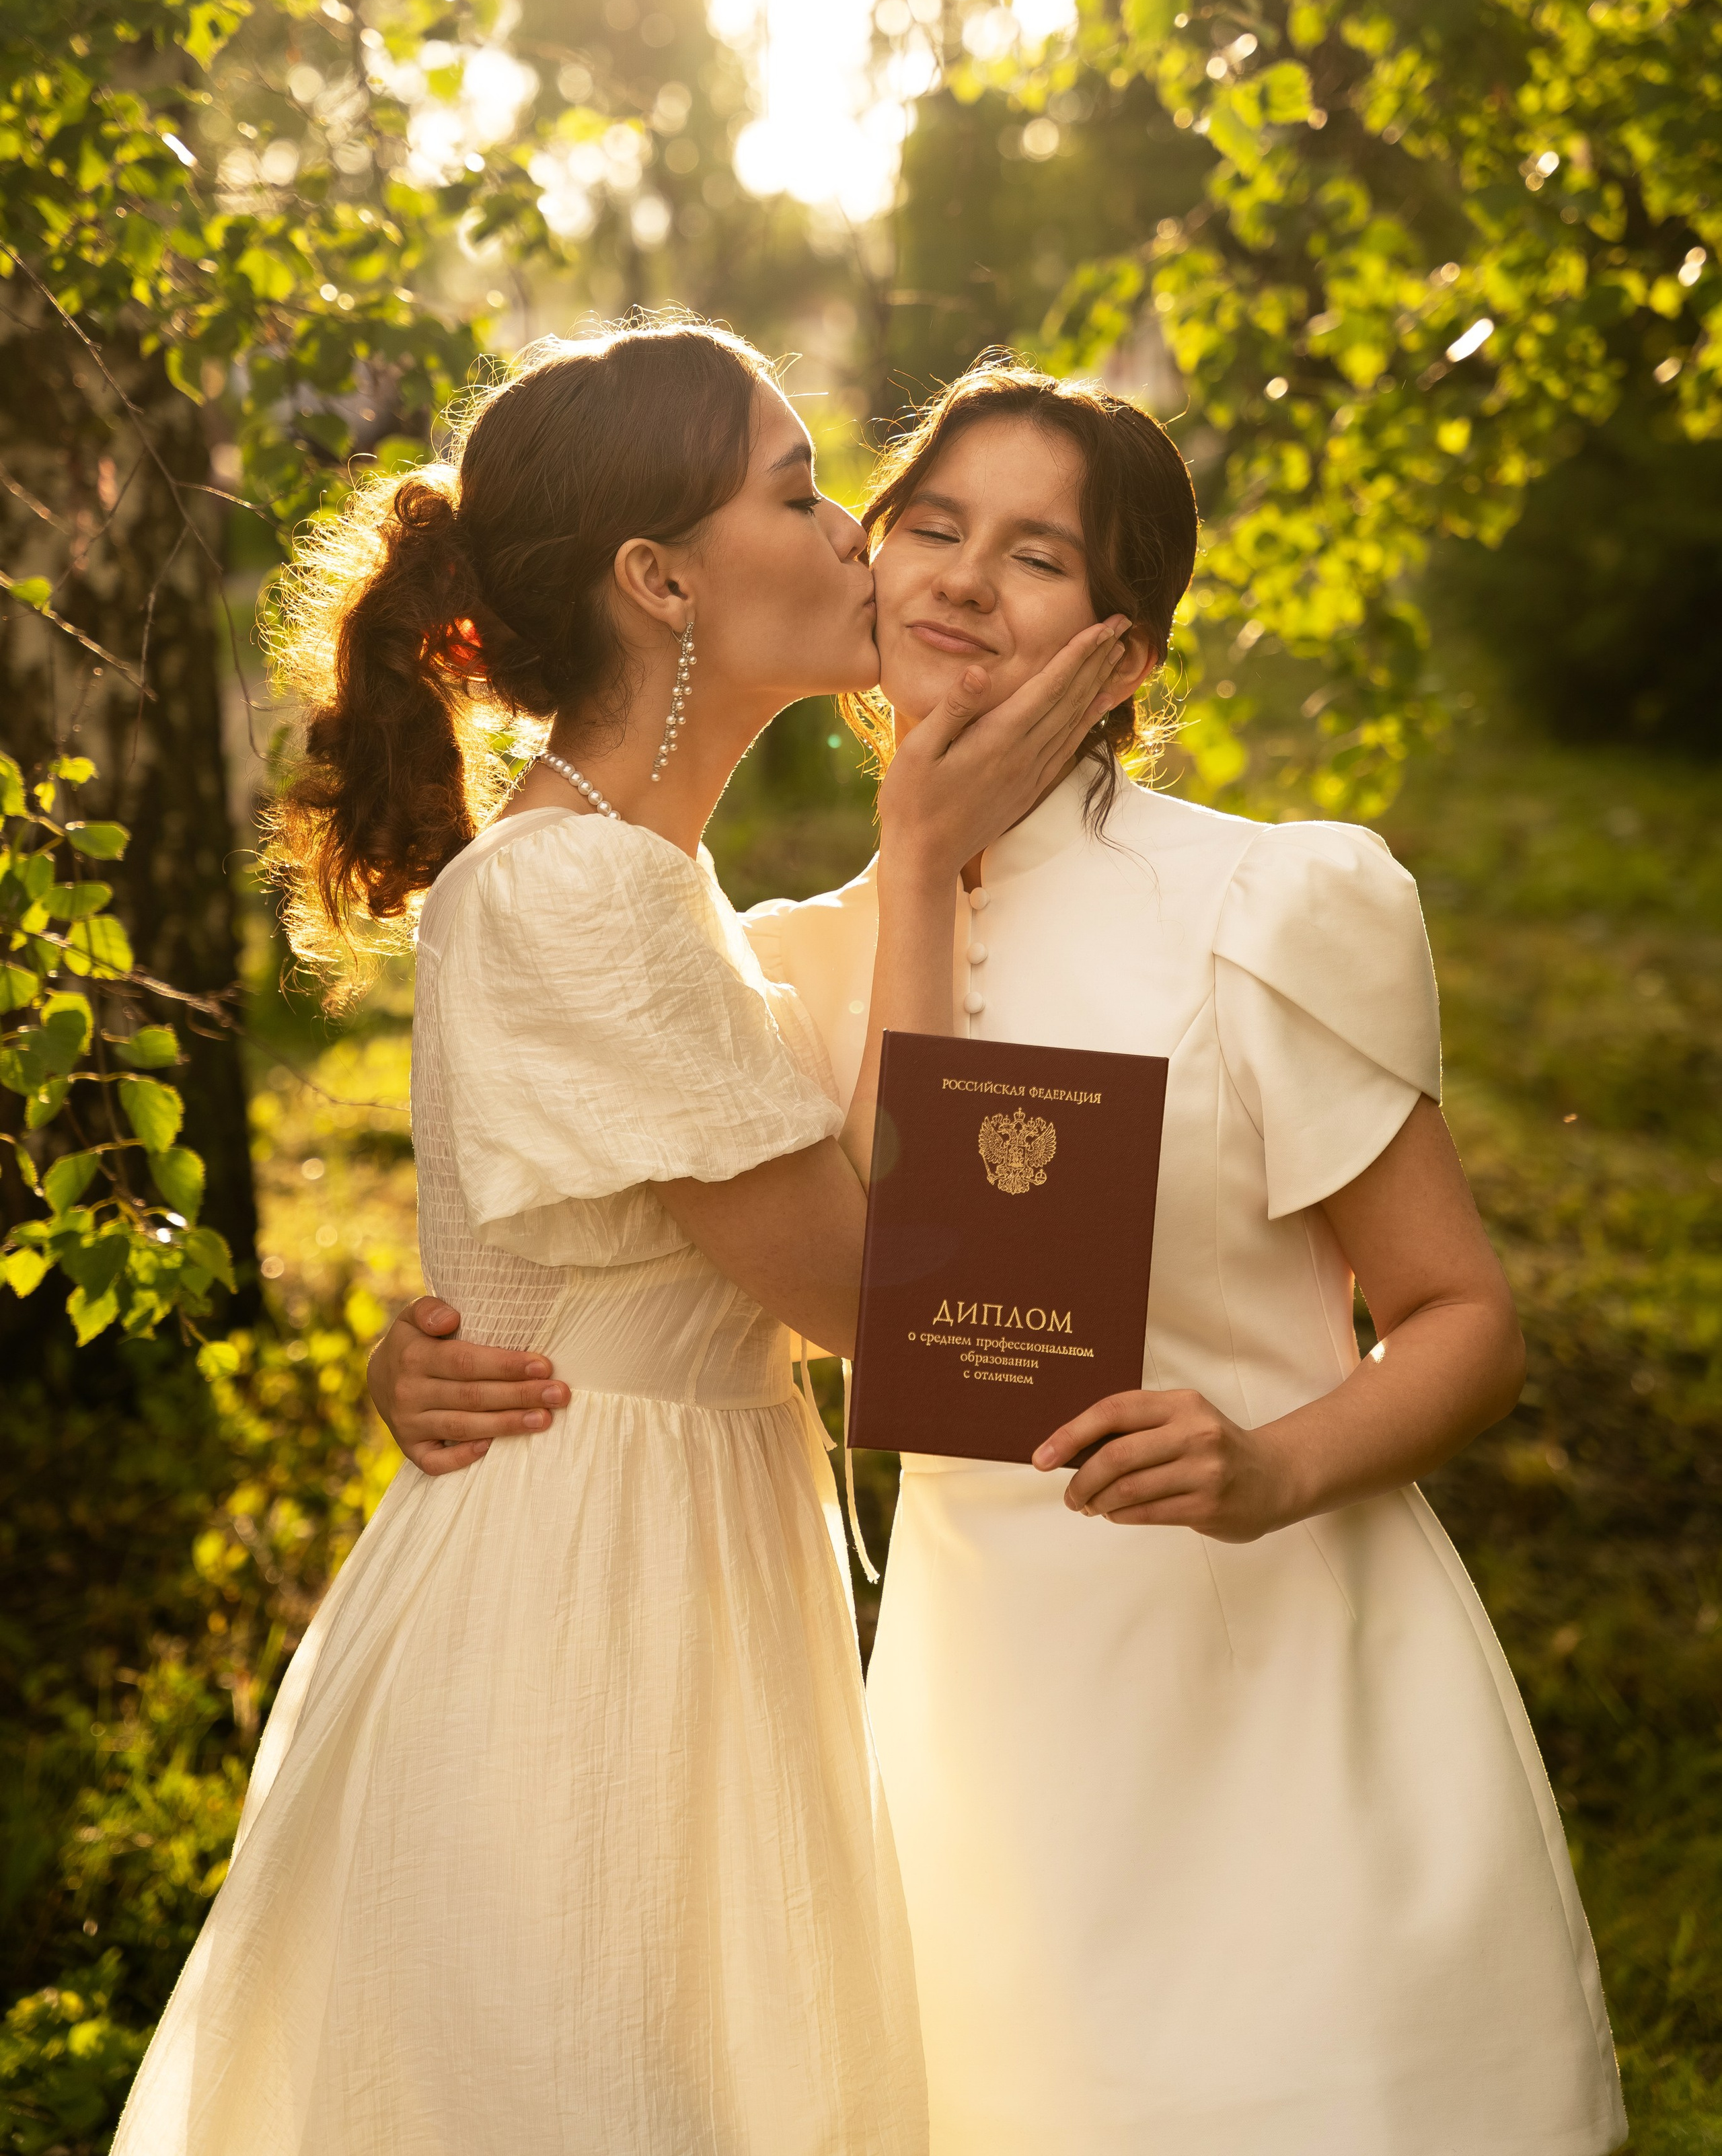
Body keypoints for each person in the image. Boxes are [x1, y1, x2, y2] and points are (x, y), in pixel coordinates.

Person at [377, 361, 1628, 2156]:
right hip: (982, 1741)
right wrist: (439, 1344)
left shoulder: (1267, 908)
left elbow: (1464, 1321)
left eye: (1037, 557)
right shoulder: (790, 962)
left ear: (1119, 657)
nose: (961, 578)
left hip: (1285, 1685)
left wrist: (1276, 1460)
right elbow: (747, 1275)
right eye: (934, 525)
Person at [112, 322, 1131, 2156]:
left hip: (667, 1551)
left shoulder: (640, 882)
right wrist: (914, 866)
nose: (858, 537)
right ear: (659, 580)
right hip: (589, 1617)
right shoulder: (579, 892)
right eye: (802, 492)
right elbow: (896, 1317)